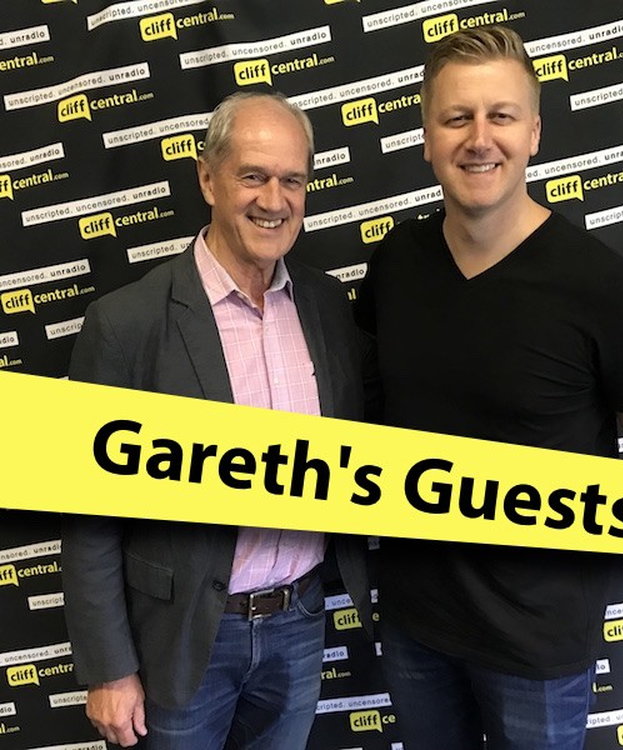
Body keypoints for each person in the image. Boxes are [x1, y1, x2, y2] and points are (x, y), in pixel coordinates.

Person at [354, 25, 623, 750]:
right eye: (457, 118)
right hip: (416, 628)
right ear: (426, 137)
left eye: (502, 116)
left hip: (537, 650)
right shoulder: (396, 262)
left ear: (535, 134)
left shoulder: (604, 287)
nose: (479, 139)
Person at [62, 91, 370, 749]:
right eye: (253, 176)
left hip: (298, 623)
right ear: (207, 178)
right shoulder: (126, 324)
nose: (274, 200)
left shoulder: (325, 305)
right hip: (180, 641)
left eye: (292, 180)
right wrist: (109, 668)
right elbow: (88, 514)